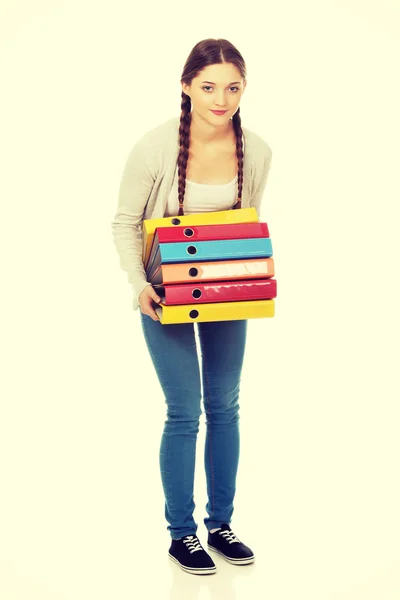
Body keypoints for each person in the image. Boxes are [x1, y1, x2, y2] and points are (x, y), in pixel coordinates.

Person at [111, 38, 273, 576]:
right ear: (186, 87)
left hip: (227, 294)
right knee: (184, 412)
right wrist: (138, 284)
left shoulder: (258, 150)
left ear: (244, 87)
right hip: (164, 296)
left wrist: (254, 279)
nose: (220, 98)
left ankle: (220, 524)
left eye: (232, 87)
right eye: (208, 87)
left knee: (225, 407)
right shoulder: (155, 148)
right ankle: (182, 534)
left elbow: (244, 226)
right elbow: (126, 222)